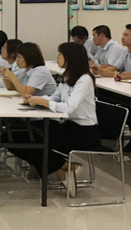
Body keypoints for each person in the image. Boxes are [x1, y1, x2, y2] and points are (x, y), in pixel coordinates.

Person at [7, 42, 100, 197]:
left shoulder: (84, 79)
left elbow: (69, 107)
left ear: (70, 58)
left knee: (32, 138)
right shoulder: (67, 77)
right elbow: (55, 98)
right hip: (68, 125)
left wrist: (44, 102)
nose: (57, 58)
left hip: (84, 132)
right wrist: (36, 99)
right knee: (14, 136)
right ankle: (63, 168)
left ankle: (64, 168)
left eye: (60, 55)